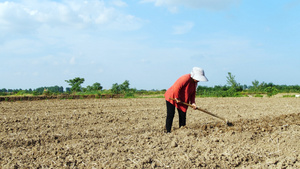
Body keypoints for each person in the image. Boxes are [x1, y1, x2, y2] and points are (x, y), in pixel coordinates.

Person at [164, 67, 208, 133]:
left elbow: (193, 94)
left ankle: (182, 130)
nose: (198, 80)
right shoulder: (186, 78)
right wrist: (177, 97)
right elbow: (177, 87)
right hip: (172, 96)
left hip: (182, 99)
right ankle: (167, 131)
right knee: (171, 114)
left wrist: (193, 103)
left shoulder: (195, 83)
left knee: (183, 114)